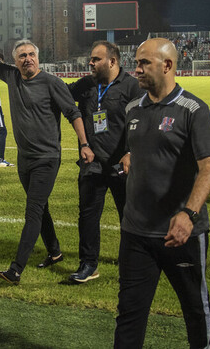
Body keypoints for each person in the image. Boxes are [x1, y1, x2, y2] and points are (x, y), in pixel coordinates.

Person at [115, 38, 210, 348]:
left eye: (144, 63)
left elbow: (209, 167)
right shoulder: (132, 108)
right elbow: (136, 149)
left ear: (167, 65)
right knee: (129, 315)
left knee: (194, 310)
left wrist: (189, 214)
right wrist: (129, 156)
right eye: (136, 62)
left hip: (181, 234)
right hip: (135, 232)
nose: (137, 68)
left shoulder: (193, 109)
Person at [0, 16, 94, 285]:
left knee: (33, 211)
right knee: (40, 209)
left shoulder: (52, 83)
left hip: (47, 159)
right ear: (15, 60)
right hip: (24, 159)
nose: (27, 59)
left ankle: (16, 269)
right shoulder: (10, 75)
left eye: (31, 54)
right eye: (21, 56)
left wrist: (84, 144)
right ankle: (54, 252)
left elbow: (73, 112)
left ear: (37, 58)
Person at [66, 40, 142, 283]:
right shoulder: (87, 84)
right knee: (87, 216)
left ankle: (132, 261)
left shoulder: (131, 86)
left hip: (122, 165)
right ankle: (88, 264)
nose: (90, 62)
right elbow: (62, 96)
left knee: (128, 216)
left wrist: (130, 152)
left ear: (112, 61)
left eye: (96, 59)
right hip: (92, 162)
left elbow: (141, 122)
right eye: (91, 58)